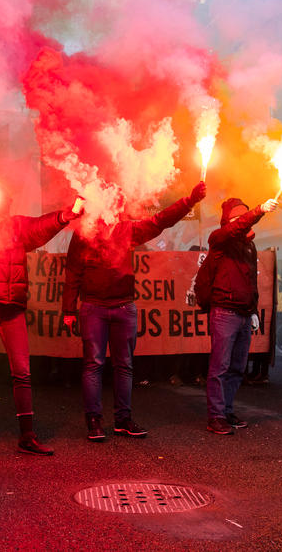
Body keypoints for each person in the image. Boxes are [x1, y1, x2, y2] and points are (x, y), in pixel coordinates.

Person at [63, 181, 207, 442]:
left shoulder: (126, 230)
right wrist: (68, 310)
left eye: (118, 201)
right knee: (93, 365)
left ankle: (123, 419)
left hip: (124, 306)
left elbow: (160, 221)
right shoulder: (84, 232)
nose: (117, 205)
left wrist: (189, 201)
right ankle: (94, 420)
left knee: (124, 366)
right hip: (94, 307)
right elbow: (72, 270)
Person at [0, 195, 81, 456]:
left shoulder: (17, 227)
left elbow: (41, 226)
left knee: (22, 371)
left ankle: (27, 435)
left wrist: (65, 215)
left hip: (12, 308)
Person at [203, 197, 277, 435]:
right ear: (228, 221)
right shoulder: (220, 239)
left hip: (244, 313)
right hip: (224, 311)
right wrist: (258, 211)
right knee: (220, 367)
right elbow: (235, 228)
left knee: (237, 367)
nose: (243, 222)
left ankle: (226, 410)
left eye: (245, 217)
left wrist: (253, 310)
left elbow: (250, 280)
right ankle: (215, 416)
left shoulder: (248, 245)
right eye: (238, 218)